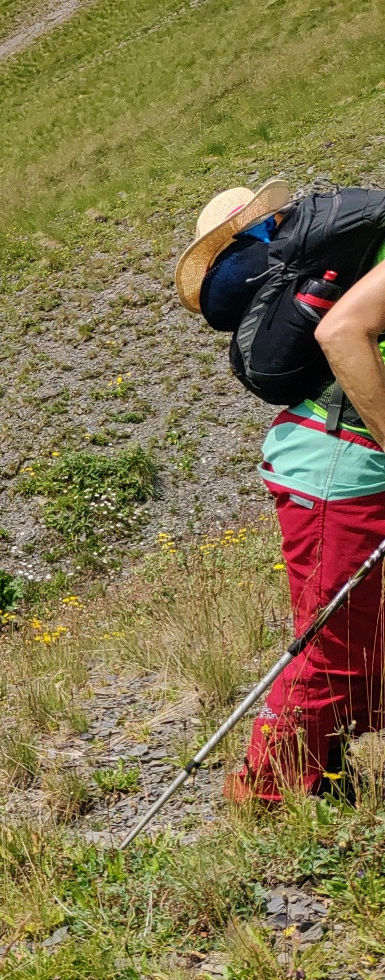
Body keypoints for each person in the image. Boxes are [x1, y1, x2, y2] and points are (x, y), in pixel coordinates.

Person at [179, 181, 385, 801]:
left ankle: (325, 766)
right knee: (334, 649)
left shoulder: (352, 250)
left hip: (339, 458)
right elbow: (340, 334)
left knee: (362, 638)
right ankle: (266, 800)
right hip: (335, 468)